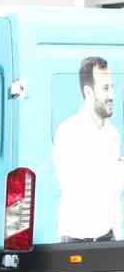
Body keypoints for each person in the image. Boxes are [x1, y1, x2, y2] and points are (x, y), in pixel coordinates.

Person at [52, 56, 124, 241]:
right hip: (76, 241)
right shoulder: (69, 132)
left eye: (112, 87)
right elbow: (77, 185)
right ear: (88, 92)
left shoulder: (112, 135)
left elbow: (114, 189)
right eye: (105, 88)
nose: (112, 96)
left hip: (108, 238)